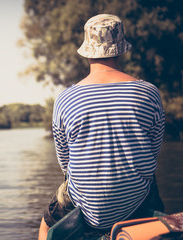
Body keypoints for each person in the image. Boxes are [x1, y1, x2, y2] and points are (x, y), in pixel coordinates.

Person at [38, 14, 165, 240]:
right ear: (121, 49)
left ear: (87, 51)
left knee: (47, 226)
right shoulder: (149, 93)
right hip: (137, 198)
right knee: (148, 175)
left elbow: (65, 162)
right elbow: (153, 152)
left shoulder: (65, 99)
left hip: (84, 203)